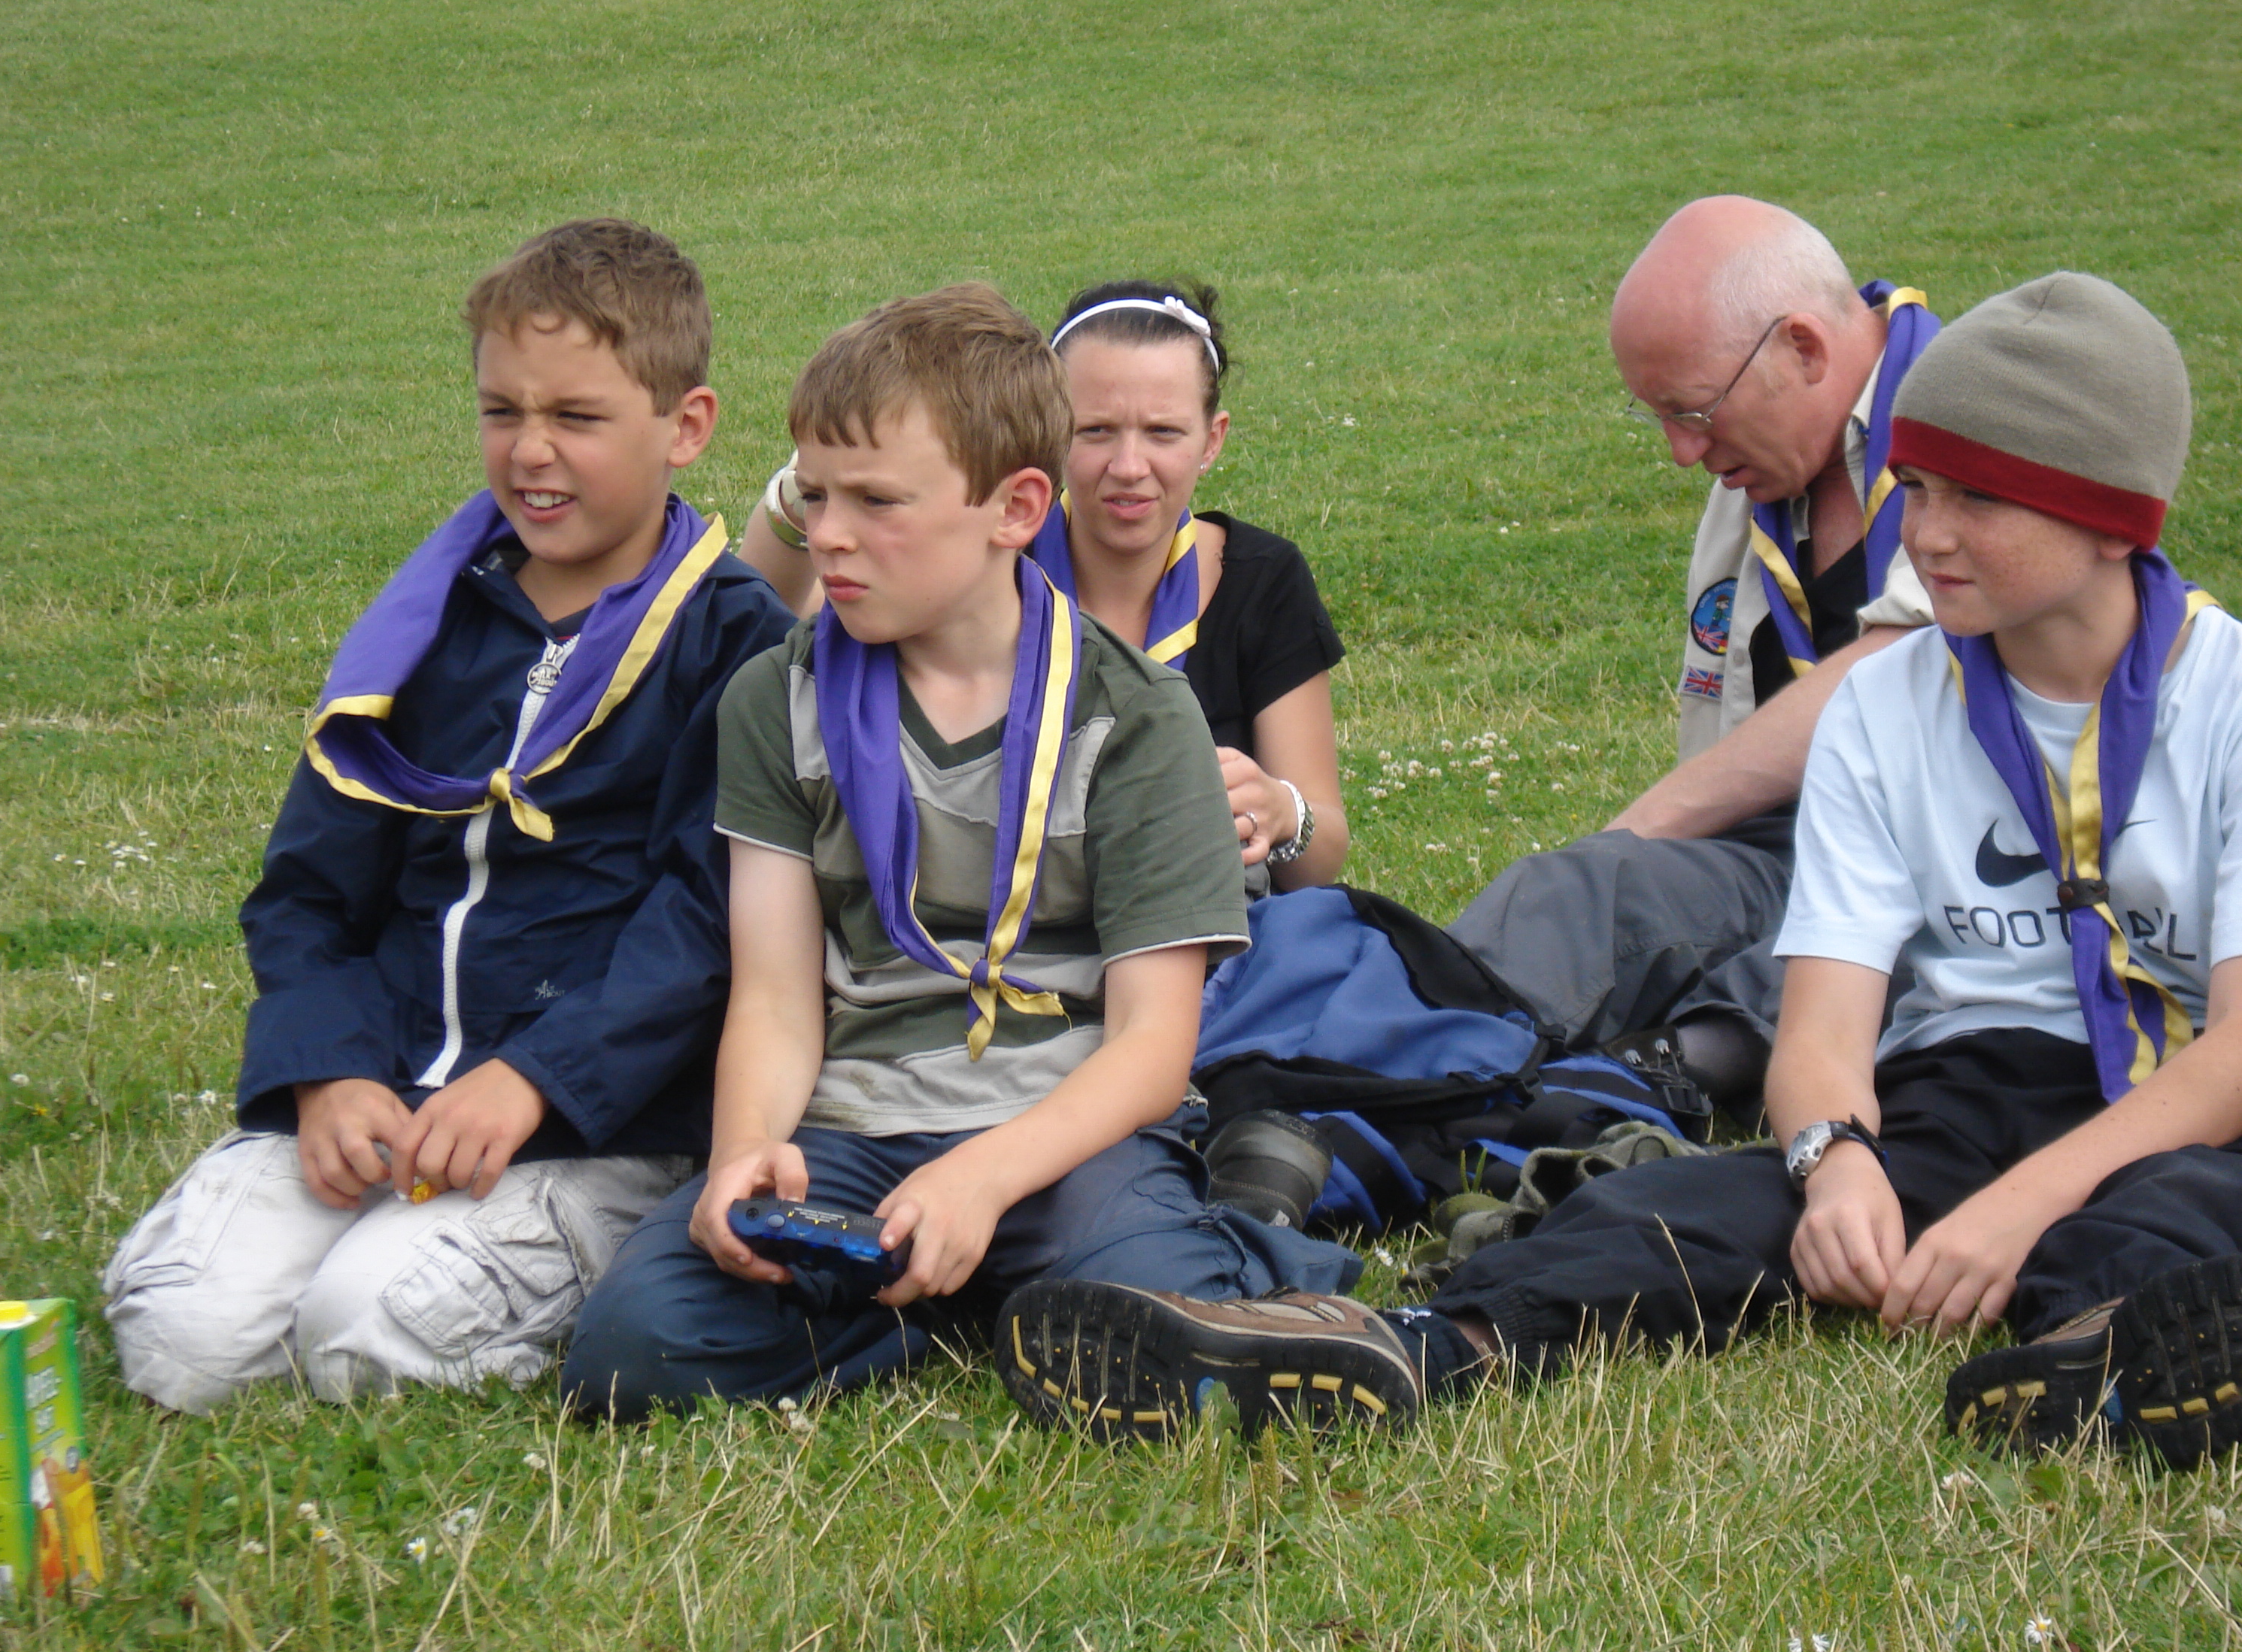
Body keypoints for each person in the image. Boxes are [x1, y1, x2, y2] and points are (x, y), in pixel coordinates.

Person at [1003, 271, 2242, 1472]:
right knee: (1671, 1214)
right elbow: (1823, 1028)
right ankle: (1421, 1344)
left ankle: (2108, 1350)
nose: (1924, 534)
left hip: (2185, 1100)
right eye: (1914, 488)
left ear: (2107, 516)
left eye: (1978, 500)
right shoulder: (1887, 707)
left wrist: (2021, 1207)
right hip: (1958, 1091)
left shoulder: (2224, 700)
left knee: (2183, 1206)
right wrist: (1833, 1160)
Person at [560, 283, 1364, 1419]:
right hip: (852, 1127)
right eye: (816, 495)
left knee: (1158, 1313)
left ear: (1016, 507)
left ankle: (1238, 1251)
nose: (828, 535)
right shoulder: (774, 701)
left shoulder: (1137, 715)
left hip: (1064, 1131)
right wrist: (744, 1153)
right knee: (630, 1354)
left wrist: (981, 1178)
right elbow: (776, 996)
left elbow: (1151, 1046)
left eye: (877, 501)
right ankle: (943, 1301)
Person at [102, 220, 791, 1411]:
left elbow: (705, 925)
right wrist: (328, 1072)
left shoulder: (733, 641)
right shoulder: (424, 620)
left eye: (576, 417)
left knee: (370, 1336)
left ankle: (566, 1245)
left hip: (590, 1119)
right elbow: (308, 891)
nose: (532, 451)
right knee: (179, 1341)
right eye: (500, 411)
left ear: (686, 426)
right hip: (388, 1082)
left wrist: (536, 1078)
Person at [1442, 198, 1940, 1107]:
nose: (1681, 452)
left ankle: (1650, 1077)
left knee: (1862, 944)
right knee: (1581, 892)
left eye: (1695, 411)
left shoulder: (1986, 426)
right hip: (1783, 852)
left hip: (1958, 860)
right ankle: (1387, 1042)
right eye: (1662, 418)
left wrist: (1651, 824)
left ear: (1804, 348)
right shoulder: (1762, 470)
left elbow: (1899, 668)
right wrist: (1617, 867)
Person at [740, 280, 1349, 889]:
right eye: (1095, 431)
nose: (1128, 467)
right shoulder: (981, 554)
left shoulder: (1262, 580)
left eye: (1163, 432)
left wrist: (1284, 812)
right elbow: (772, 611)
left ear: (1212, 440)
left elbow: (1320, 863)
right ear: (1049, 434)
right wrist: (832, 474)